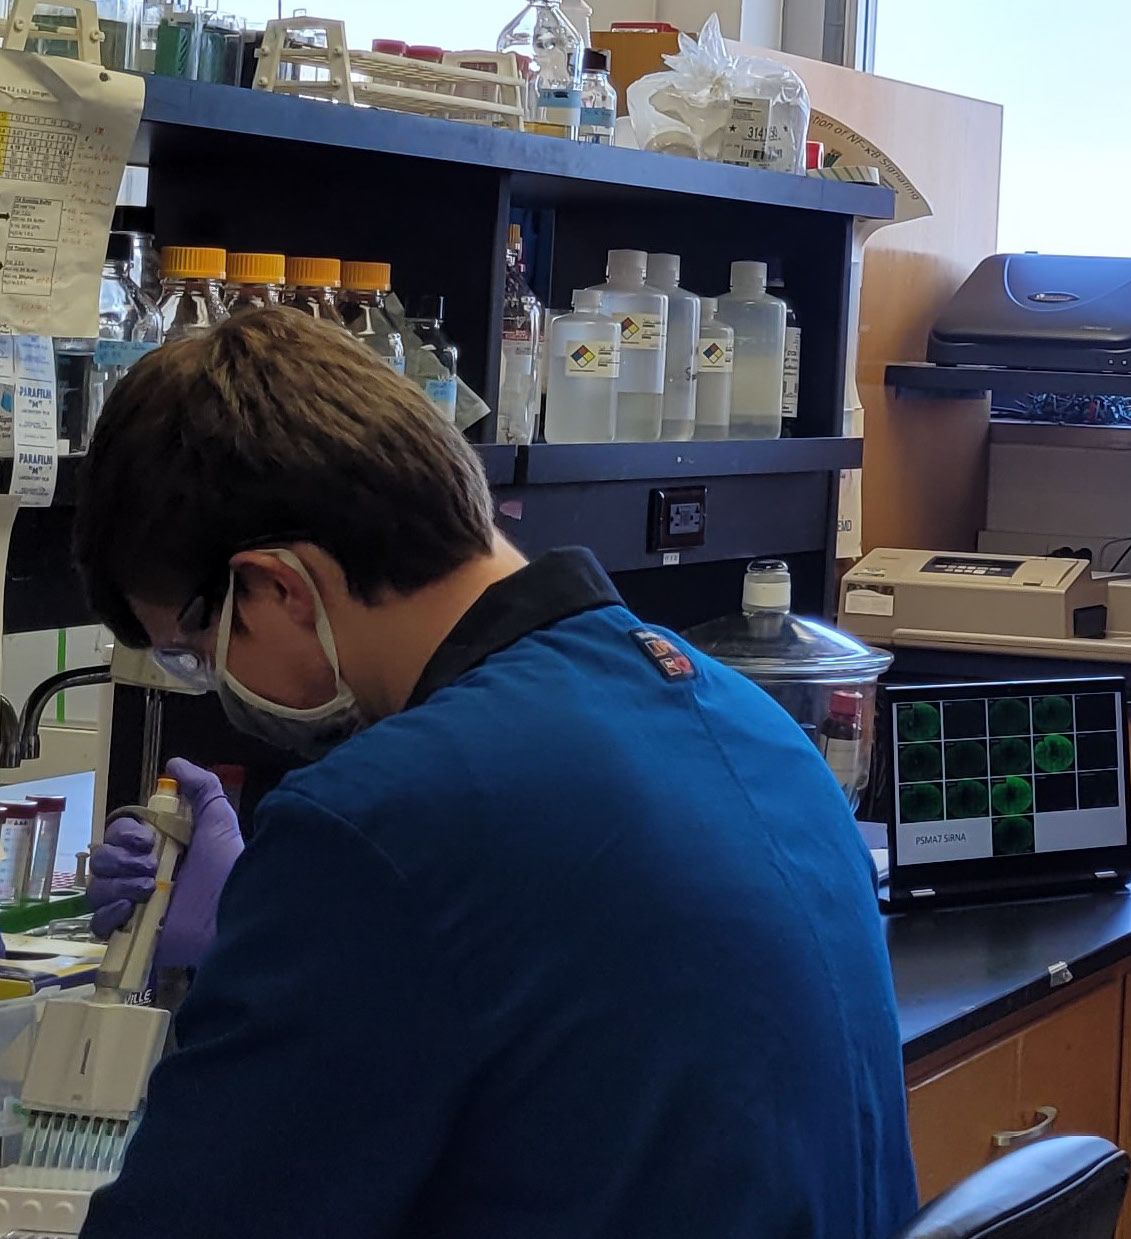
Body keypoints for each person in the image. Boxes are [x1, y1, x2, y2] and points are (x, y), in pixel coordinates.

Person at [68, 308, 918, 1239]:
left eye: (197, 646)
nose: (215, 682)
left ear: (275, 586)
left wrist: (301, 919)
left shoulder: (378, 822)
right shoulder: (740, 712)